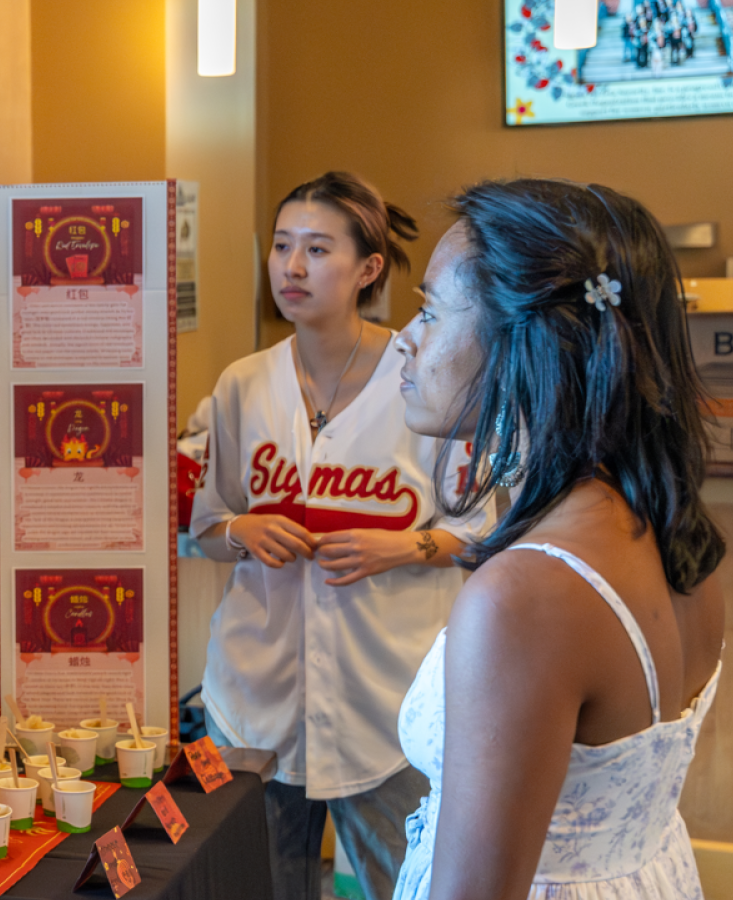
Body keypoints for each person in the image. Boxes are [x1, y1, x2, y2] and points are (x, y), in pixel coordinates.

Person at [392, 178, 726, 900]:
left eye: (427, 310)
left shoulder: (525, 597)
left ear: (525, 341)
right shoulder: (677, 534)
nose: (403, 339)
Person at [191, 172, 492, 900]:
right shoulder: (242, 384)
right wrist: (242, 529)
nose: (292, 268)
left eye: (317, 249)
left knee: (409, 882)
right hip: (255, 696)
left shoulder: (425, 375)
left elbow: (484, 525)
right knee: (256, 886)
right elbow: (206, 525)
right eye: (283, 246)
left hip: (386, 699)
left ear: (368, 269)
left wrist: (405, 546)